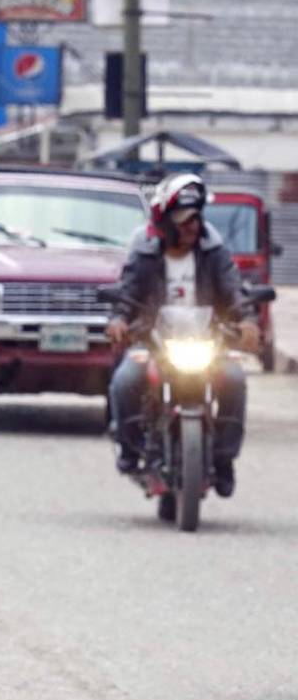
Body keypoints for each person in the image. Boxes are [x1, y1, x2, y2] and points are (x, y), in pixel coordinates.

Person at [107, 173, 259, 496]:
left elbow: (233, 289)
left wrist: (246, 321)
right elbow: (128, 294)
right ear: (165, 223)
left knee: (234, 379)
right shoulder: (145, 253)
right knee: (124, 381)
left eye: (195, 219)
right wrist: (120, 320)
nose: (191, 226)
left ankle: (223, 459)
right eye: (183, 220)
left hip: (207, 343)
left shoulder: (213, 251)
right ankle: (131, 449)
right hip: (154, 342)